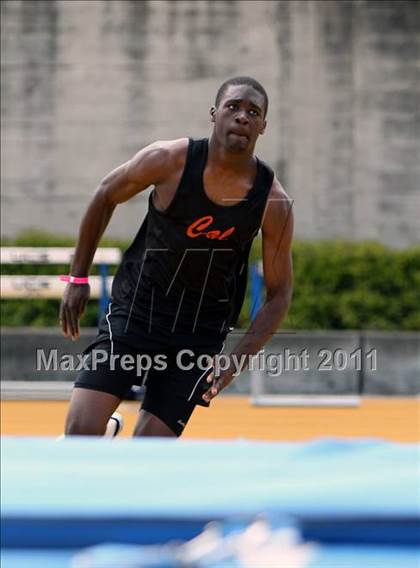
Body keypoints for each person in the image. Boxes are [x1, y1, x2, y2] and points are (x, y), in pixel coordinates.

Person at [60, 76, 294, 438]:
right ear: (214, 114)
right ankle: (103, 430)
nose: (242, 117)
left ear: (263, 125)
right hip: (136, 313)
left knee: (149, 457)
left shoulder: (273, 202)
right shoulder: (168, 160)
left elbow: (279, 294)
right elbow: (106, 194)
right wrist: (77, 278)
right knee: (80, 433)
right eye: (233, 107)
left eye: (253, 112)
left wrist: (235, 360)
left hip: (199, 334)